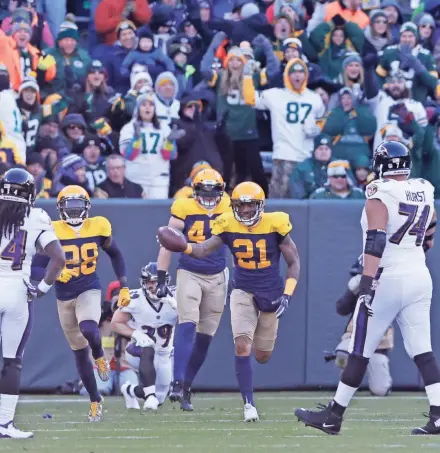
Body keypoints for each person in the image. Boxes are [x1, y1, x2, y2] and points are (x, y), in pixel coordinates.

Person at [294, 141, 440, 435]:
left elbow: (376, 240)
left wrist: (367, 283)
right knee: (422, 350)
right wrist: (419, 247)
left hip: (388, 276)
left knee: (359, 348)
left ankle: (333, 416)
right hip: (418, 275)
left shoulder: (379, 192)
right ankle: (438, 415)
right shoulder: (424, 188)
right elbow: (431, 227)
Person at [157, 181, 300, 421]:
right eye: (240, 206)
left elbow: (294, 262)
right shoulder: (227, 224)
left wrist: (287, 293)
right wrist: (185, 248)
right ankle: (249, 405)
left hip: (271, 292)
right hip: (242, 290)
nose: (244, 211)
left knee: (262, 355)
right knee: (241, 344)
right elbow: (203, 249)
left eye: (249, 205)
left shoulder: (276, 224)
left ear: (260, 205)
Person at [31, 185, 131, 423]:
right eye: (69, 207)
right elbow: (35, 265)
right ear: (60, 209)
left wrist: (124, 284)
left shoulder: (98, 225)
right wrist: (51, 275)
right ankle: (96, 401)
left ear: (87, 207)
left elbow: (115, 254)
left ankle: (99, 356)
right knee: (78, 351)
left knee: (89, 328)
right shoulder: (52, 230)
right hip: (64, 296)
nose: (74, 213)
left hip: (89, 288)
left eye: (78, 207)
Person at [156, 169, 230, 411]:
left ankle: (187, 384)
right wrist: (161, 275)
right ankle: (177, 382)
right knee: (187, 322)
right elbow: (168, 241)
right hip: (190, 271)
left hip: (218, 274)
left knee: (206, 337)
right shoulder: (184, 207)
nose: (209, 197)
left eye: (213, 192)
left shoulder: (230, 205)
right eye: (204, 192)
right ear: (194, 190)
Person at [0, 168, 65, 438]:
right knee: (12, 361)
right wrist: (42, 288)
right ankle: (4, 424)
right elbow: (58, 258)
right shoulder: (36, 216)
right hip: (16, 288)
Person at [111, 262, 178, 411]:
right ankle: (149, 396)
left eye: (156, 282)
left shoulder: (177, 297)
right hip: (137, 351)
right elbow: (115, 323)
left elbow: (195, 320)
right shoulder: (135, 299)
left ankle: (129, 390)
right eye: (149, 282)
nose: (152, 286)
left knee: (159, 398)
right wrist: (135, 333)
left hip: (164, 354)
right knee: (147, 346)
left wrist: (181, 308)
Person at [333, 255, 393, 396]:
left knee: (380, 390)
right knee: (342, 353)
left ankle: (384, 385)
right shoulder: (358, 289)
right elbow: (341, 309)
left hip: (378, 343)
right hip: (354, 336)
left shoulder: (389, 289)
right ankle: (347, 384)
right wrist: (352, 292)